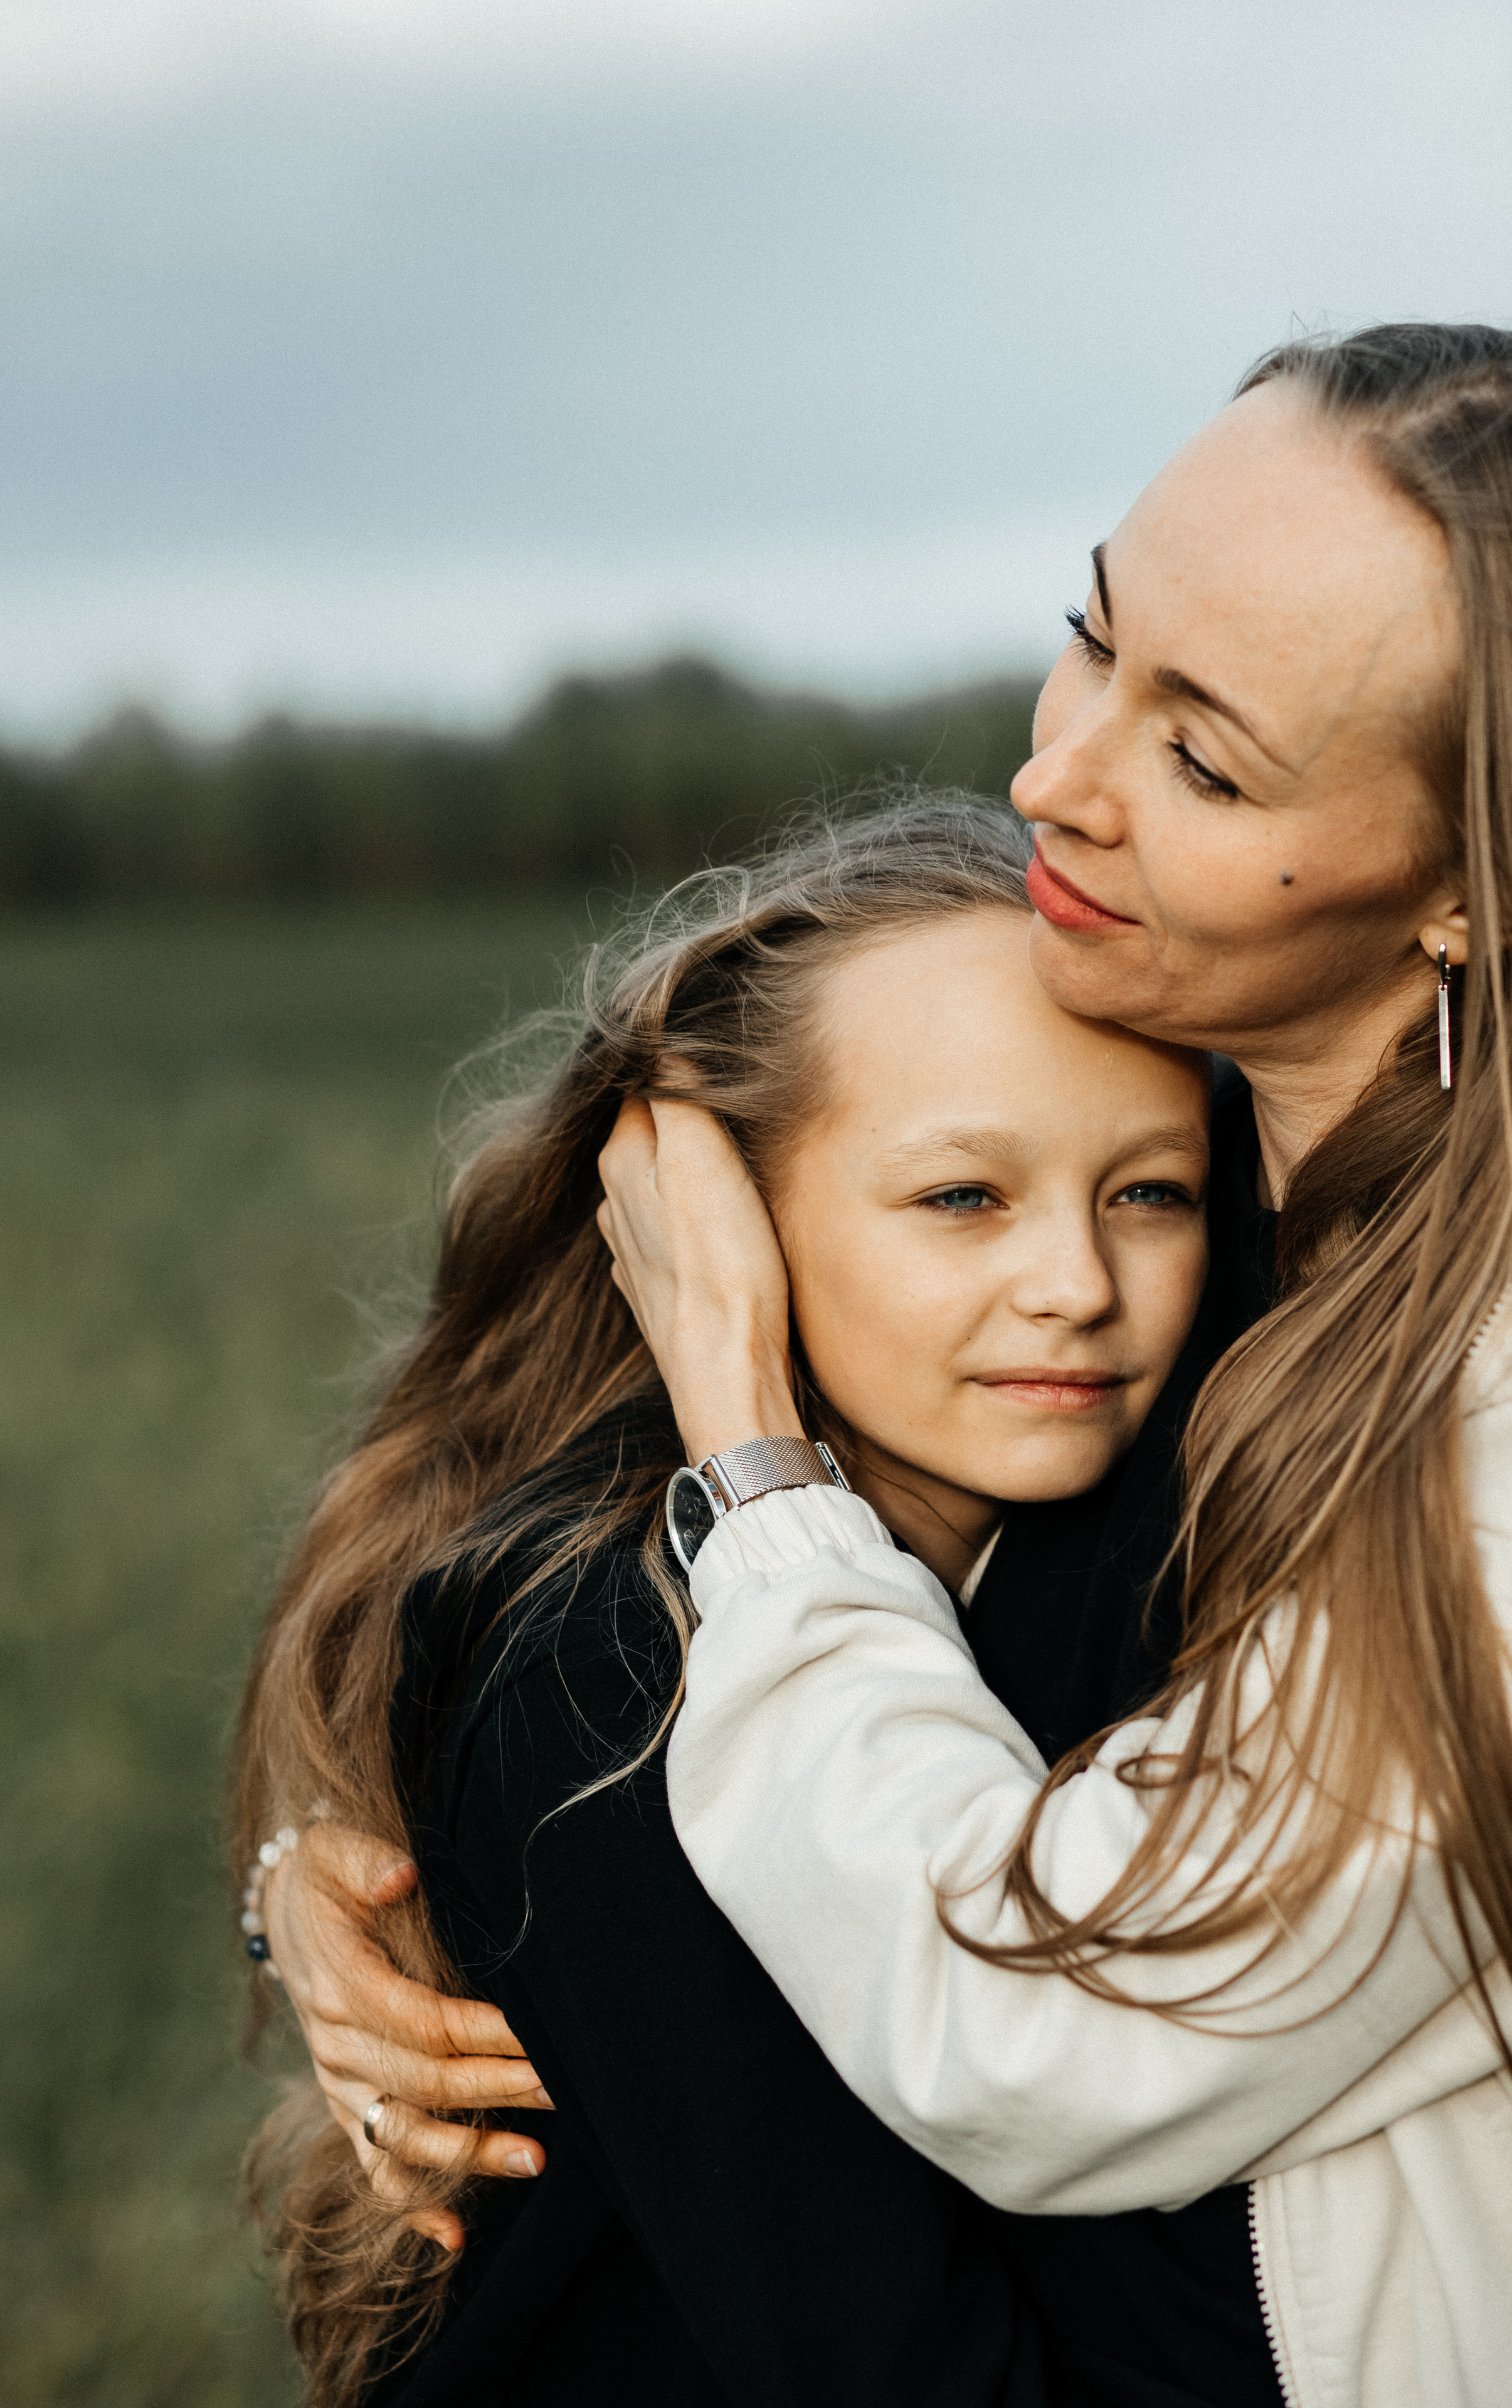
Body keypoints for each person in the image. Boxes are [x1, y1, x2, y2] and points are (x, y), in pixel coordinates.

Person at [590, 324, 1512, 2408]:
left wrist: (754, 1474)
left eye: (1206, 765)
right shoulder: (1166, 1165)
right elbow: (515, 1588)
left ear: (1465, 888)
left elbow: (1034, 2028)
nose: (1053, 779)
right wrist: (371, 1853)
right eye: (1092, 639)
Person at [232, 793, 1271, 2406]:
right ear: (712, 1214)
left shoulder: (1153, 1511)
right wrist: (309, 1871)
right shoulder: (602, 1656)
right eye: (961, 1198)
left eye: (1150, 1192)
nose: (1075, 1285)